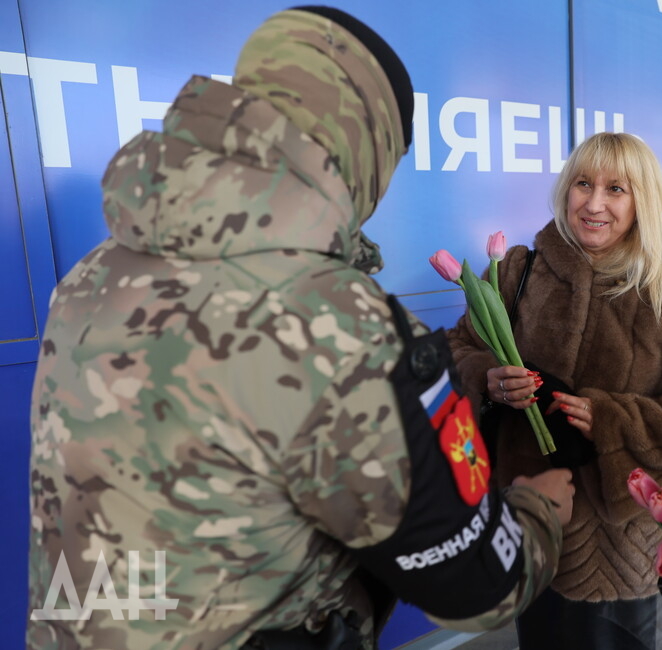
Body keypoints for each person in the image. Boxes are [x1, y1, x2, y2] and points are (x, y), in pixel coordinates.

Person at [26, 7, 576, 650]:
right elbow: (475, 583)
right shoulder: (336, 323)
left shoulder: (90, 280)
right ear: (365, 145)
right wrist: (539, 511)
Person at [447, 131, 662, 649]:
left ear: (643, 201)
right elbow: (458, 349)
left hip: (619, 546)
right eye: (583, 184)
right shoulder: (519, 269)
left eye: (616, 189)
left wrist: (609, 420)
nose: (595, 203)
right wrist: (487, 379)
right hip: (528, 524)